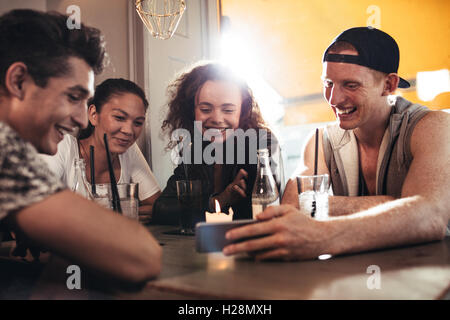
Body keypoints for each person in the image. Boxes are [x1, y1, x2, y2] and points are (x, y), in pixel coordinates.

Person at [222, 27, 450, 261]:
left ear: (389, 85)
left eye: (351, 85)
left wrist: (323, 232)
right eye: (329, 83)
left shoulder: (433, 127)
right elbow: (293, 205)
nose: (334, 99)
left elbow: (428, 216)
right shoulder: (321, 140)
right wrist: (394, 205)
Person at [0, 9, 161, 283]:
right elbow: (141, 256)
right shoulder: (6, 151)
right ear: (18, 81)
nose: (79, 118)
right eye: (72, 97)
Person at [152, 62, 284, 225]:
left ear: (242, 111)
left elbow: (264, 212)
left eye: (228, 110)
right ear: (192, 111)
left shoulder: (262, 143)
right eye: (206, 109)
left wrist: (196, 208)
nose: (216, 119)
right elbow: (162, 208)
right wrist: (219, 201)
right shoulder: (196, 149)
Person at [41, 78, 161, 224]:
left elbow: (158, 206)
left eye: (138, 123)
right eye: (119, 117)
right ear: (93, 115)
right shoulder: (63, 146)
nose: (129, 131)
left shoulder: (128, 150)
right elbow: (29, 210)